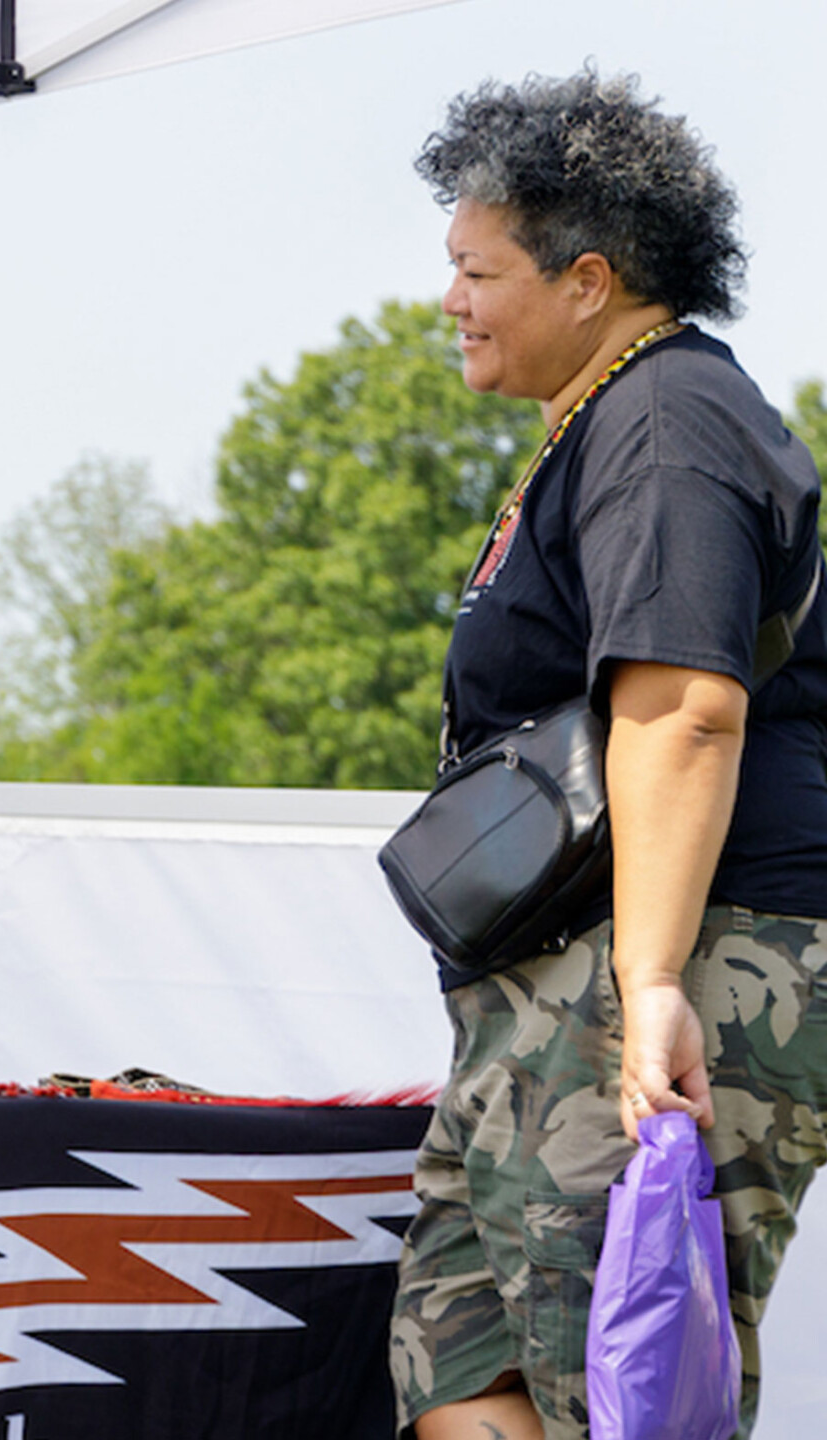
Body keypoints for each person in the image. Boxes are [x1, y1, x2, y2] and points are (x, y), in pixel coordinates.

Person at [388, 72, 827, 1439]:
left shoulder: (665, 420)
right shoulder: (604, 417)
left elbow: (686, 708)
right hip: (561, 979)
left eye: (476, 270)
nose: (449, 299)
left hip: (676, 960)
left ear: (590, 279)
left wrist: (649, 988)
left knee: (615, 1386)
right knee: (461, 1364)